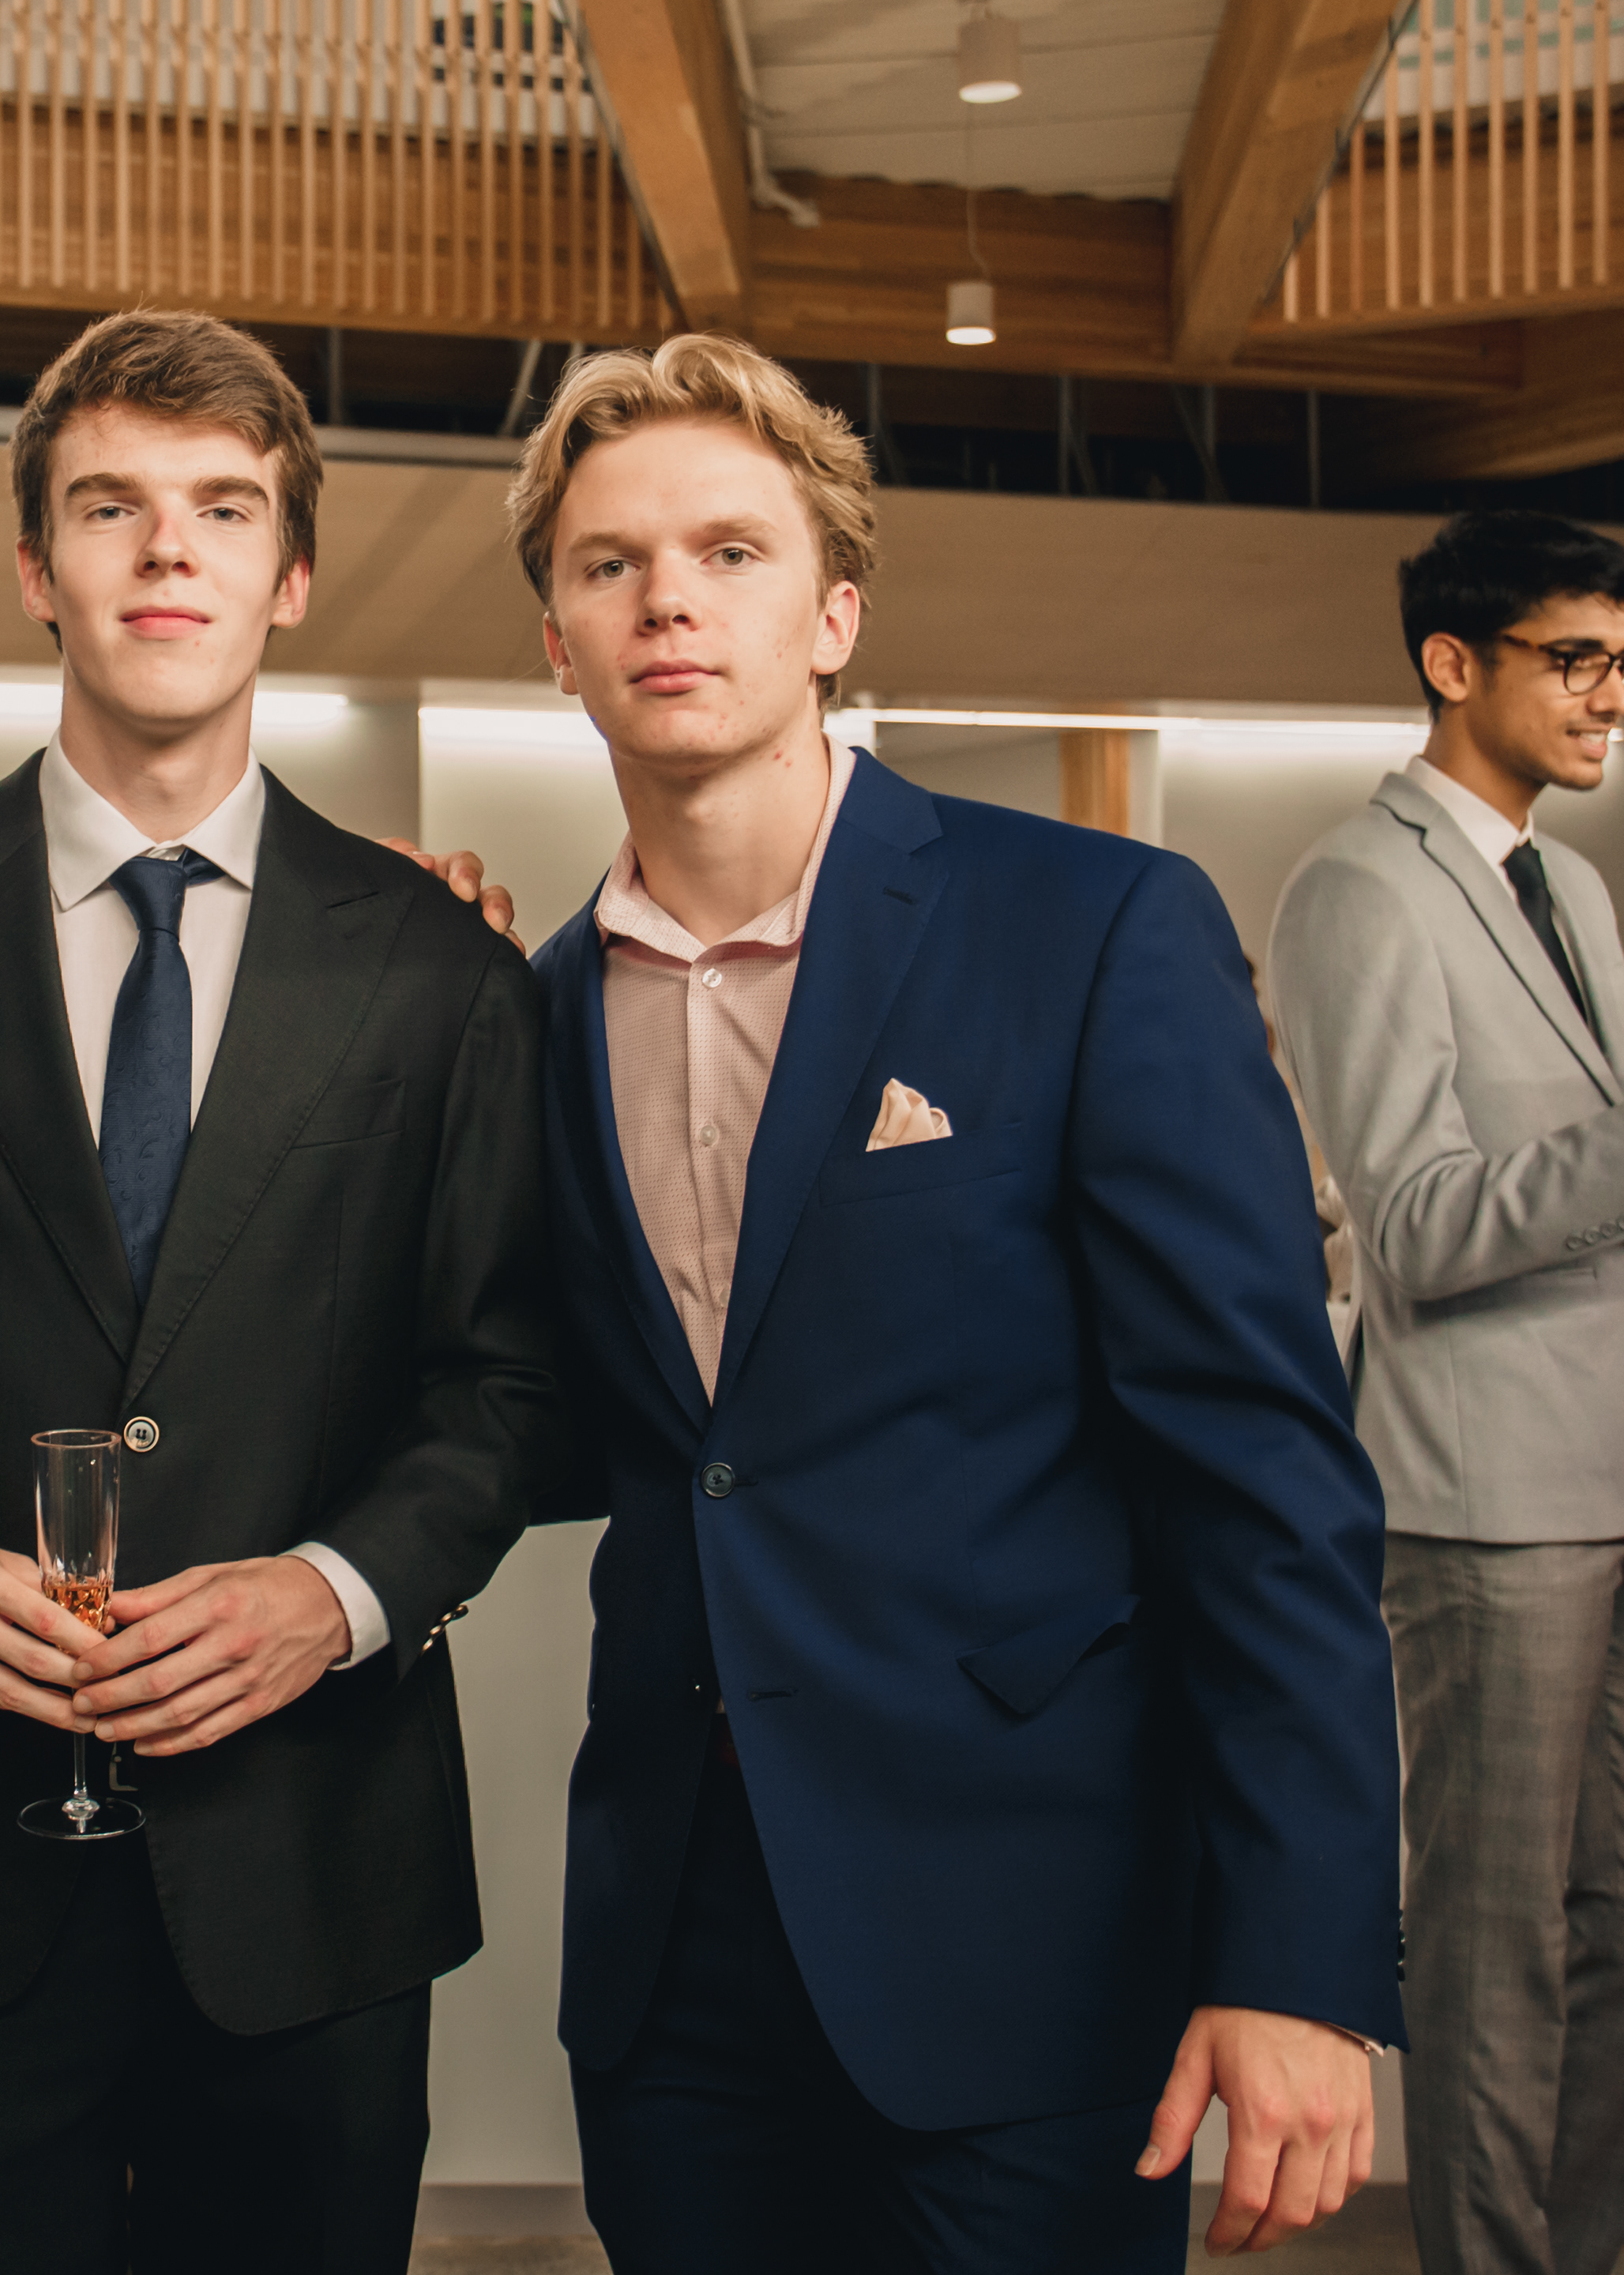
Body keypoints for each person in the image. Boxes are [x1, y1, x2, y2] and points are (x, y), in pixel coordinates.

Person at [511, 336, 1402, 2272]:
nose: (667, 598)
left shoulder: (1094, 927)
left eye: (730, 551)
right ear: (555, 644)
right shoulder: (533, 1011)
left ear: (832, 615)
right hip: (674, 1965)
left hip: (1028, 1946)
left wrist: (1298, 1953)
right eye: (608, 563)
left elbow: (1262, 1478)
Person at [0, 308, 558, 2275]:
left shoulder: (443, 970)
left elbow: (505, 1385)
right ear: (38, 567)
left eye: (223, 509)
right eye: (110, 507)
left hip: (313, 1853)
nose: (167, 549)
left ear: (291, 576)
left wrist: (332, 1595)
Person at [1268, 510, 1624, 2275]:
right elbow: (1410, 1227)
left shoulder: (1580, 889)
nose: (1608, 696)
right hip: (1485, 1504)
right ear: (1454, 663)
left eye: (1621, 665)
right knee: (1497, 1944)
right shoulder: (1359, 887)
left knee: (1611, 1925)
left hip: (1609, 1478)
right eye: (1577, 658)